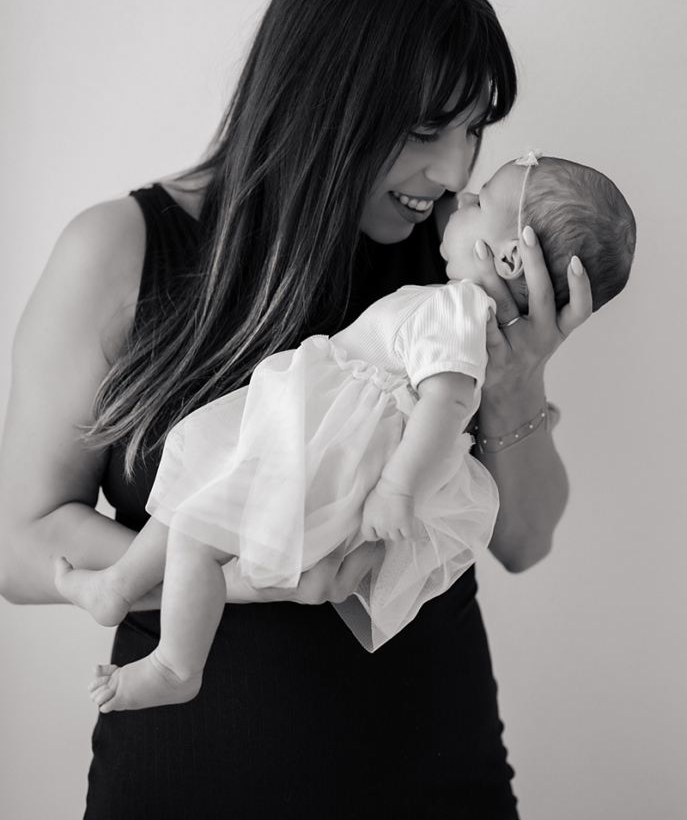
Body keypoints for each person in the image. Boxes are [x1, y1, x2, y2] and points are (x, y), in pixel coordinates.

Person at [0, 0, 596, 819]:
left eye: (472, 129)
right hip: (180, 788)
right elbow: (18, 546)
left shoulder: (456, 268)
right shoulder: (119, 249)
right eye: (423, 128)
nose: (450, 171)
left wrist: (518, 380)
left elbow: (523, 542)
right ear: (323, 98)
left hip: (437, 781)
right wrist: (248, 575)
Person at [54, 152, 635, 702]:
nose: (459, 190)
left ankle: (175, 664)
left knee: (200, 519)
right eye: (429, 128)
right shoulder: (457, 309)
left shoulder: (459, 308)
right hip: (327, 442)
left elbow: (449, 403)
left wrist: (397, 488)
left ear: (509, 259)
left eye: (479, 202)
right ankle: (118, 587)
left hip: (333, 451)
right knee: (195, 506)